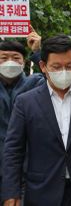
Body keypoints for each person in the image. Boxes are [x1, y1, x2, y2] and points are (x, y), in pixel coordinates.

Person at [1, 35, 71, 205]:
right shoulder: (25, 102)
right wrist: (10, 191)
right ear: (43, 66)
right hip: (42, 189)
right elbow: (14, 150)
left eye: (69, 66)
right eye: (56, 67)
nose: (63, 72)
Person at [0, 40, 44, 201]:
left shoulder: (36, 83)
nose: (10, 62)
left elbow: (53, 80)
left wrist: (37, 51)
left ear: (24, 61)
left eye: (16, 57)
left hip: (29, 167)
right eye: (4, 58)